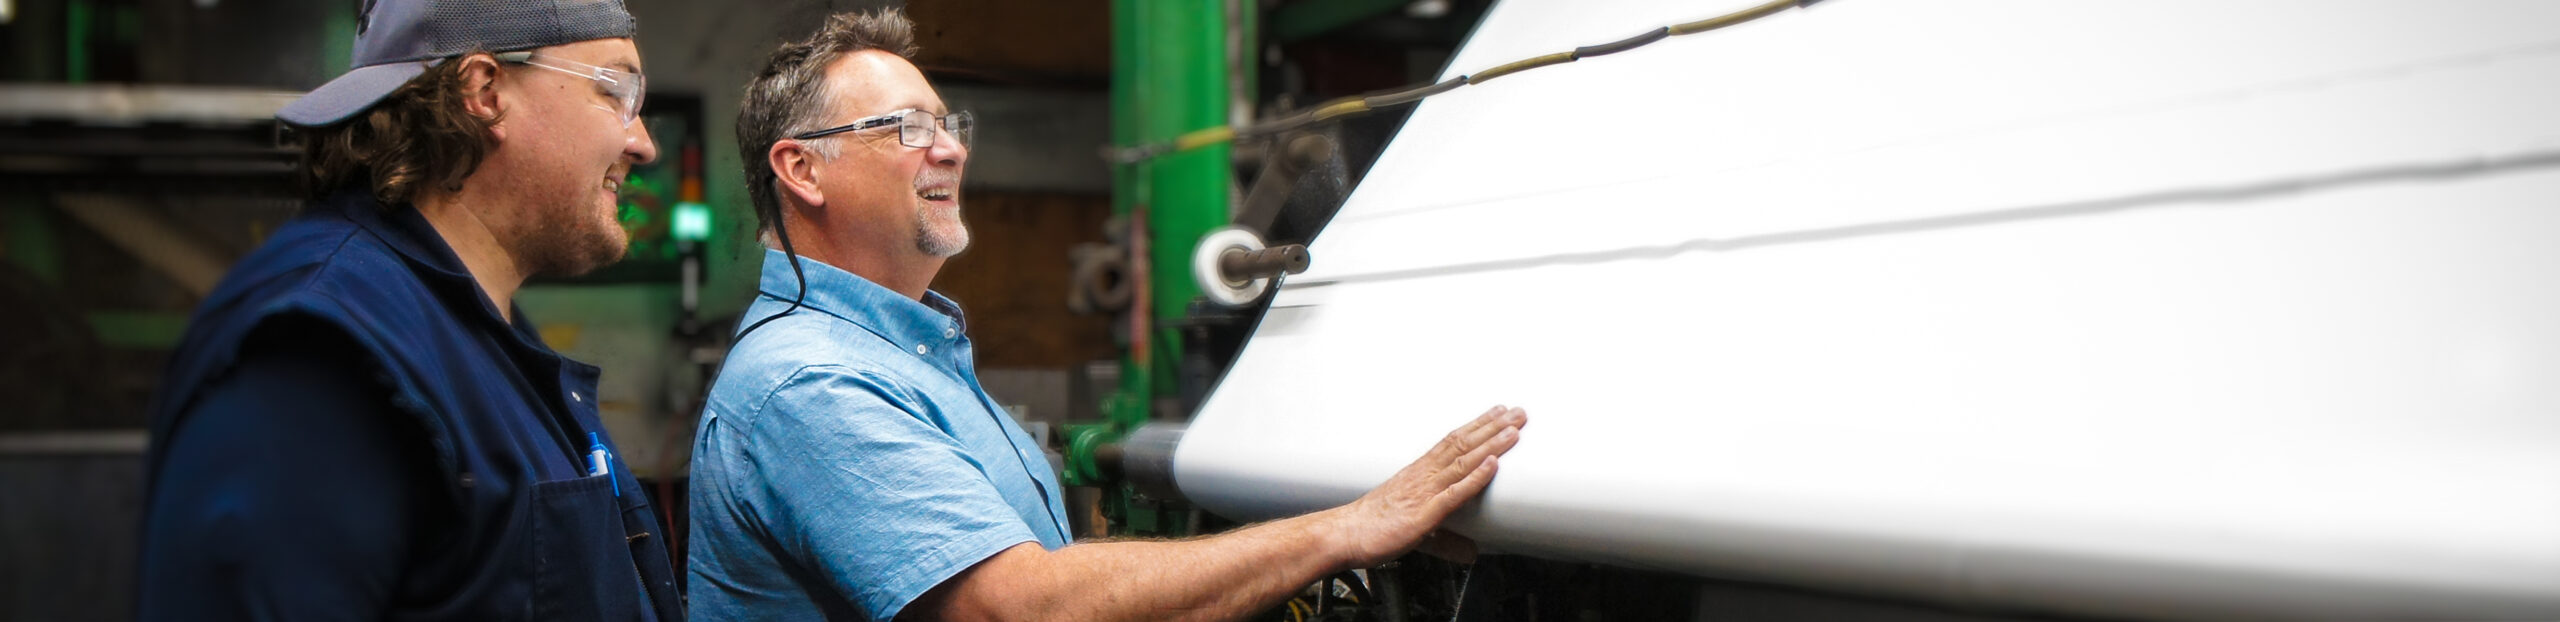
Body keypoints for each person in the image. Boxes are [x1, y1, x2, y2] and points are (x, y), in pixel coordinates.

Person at [686, 9, 1529, 621]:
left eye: (949, 123)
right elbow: (1020, 607)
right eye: (906, 127)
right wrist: (1347, 529)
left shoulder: (903, 350)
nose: (951, 148)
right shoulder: (813, 384)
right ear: (802, 169)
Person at [136, 0, 681, 618]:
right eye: (616, 91)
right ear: (485, 91)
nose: (642, 143)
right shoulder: (324, 353)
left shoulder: (466, 325)